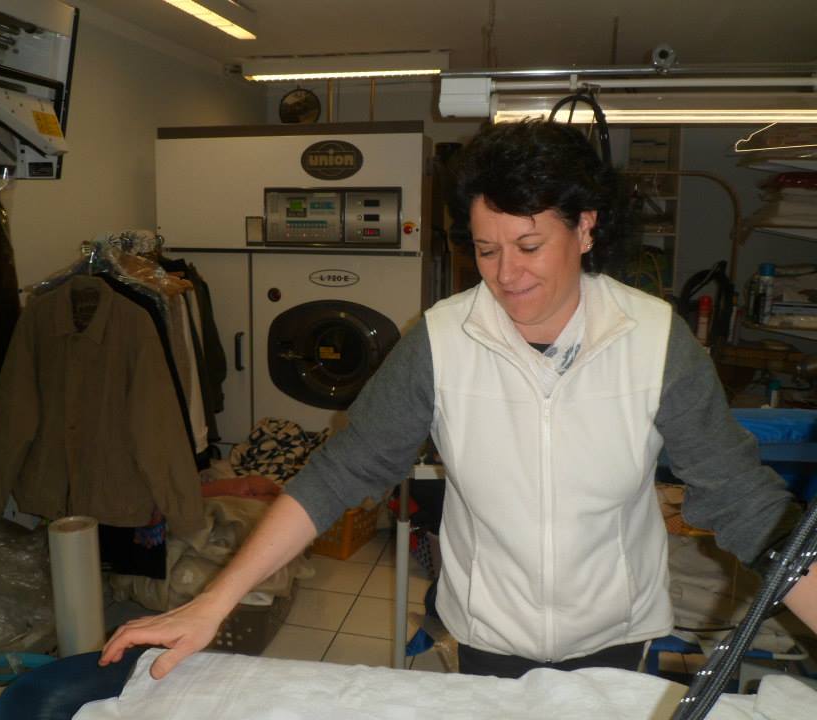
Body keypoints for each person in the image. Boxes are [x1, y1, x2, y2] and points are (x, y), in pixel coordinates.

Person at [100, 119, 817, 680]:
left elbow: (746, 503)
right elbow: (340, 472)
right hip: (486, 635)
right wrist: (213, 601)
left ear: (586, 227)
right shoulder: (441, 340)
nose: (506, 276)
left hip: (616, 635)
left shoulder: (655, 339)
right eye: (486, 249)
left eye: (528, 246)